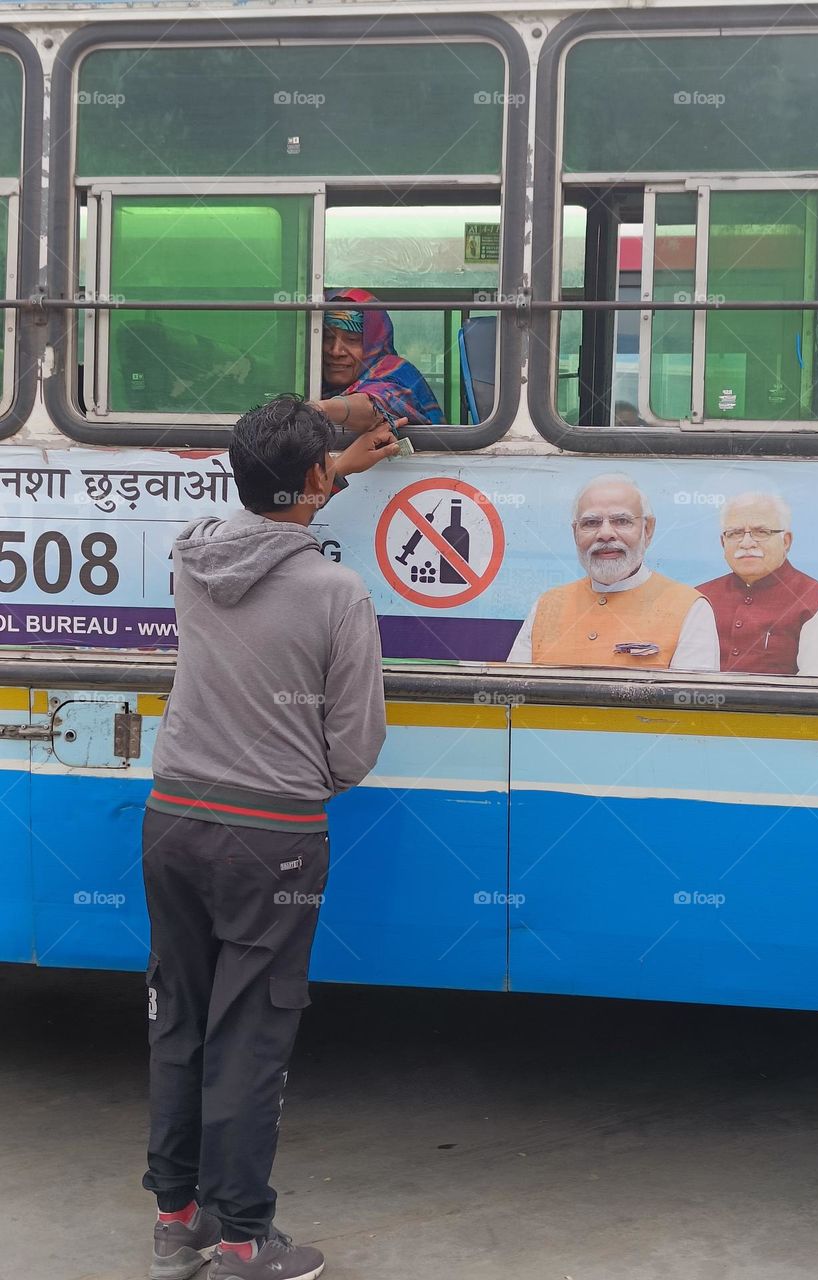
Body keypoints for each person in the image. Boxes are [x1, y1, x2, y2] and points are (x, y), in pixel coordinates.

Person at [142, 396, 398, 1280]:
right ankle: (247, 1240)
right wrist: (300, 779)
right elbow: (356, 746)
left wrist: (323, 463)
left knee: (180, 1015)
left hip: (172, 816)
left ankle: (178, 1221)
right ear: (319, 482)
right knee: (251, 1031)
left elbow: (261, 510)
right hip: (273, 833)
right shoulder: (337, 591)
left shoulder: (193, 550)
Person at [508, 474, 719, 670]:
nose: (606, 534)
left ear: (647, 530)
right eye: (591, 523)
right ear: (575, 533)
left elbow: (691, 708)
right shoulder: (547, 605)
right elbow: (512, 697)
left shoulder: (690, 608)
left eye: (621, 521)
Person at [697, 491, 818, 676]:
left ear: (786, 541)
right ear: (723, 542)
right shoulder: (698, 598)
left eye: (761, 532)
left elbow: (817, 693)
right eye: (735, 533)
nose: (746, 543)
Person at [307, 287, 444, 430]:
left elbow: (372, 406)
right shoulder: (309, 381)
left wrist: (316, 408)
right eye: (327, 337)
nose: (336, 351)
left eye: (352, 339)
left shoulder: (396, 373)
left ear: (375, 342)